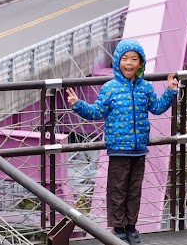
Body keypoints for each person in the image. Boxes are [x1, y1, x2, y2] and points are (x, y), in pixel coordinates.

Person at [65, 39, 179, 244]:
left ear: (140, 63)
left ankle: (131, 228)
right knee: (117, 190)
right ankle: (118, 229)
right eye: (125, 59)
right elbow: (96, 112)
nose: (129, 63)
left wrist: (170, 91)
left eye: (134, 59)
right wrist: (78, 104)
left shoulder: (145, 88)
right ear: (117, 61)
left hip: (139, 150)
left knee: (134, 191)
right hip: (118, 149)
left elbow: (157, 108)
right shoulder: (110, 88)